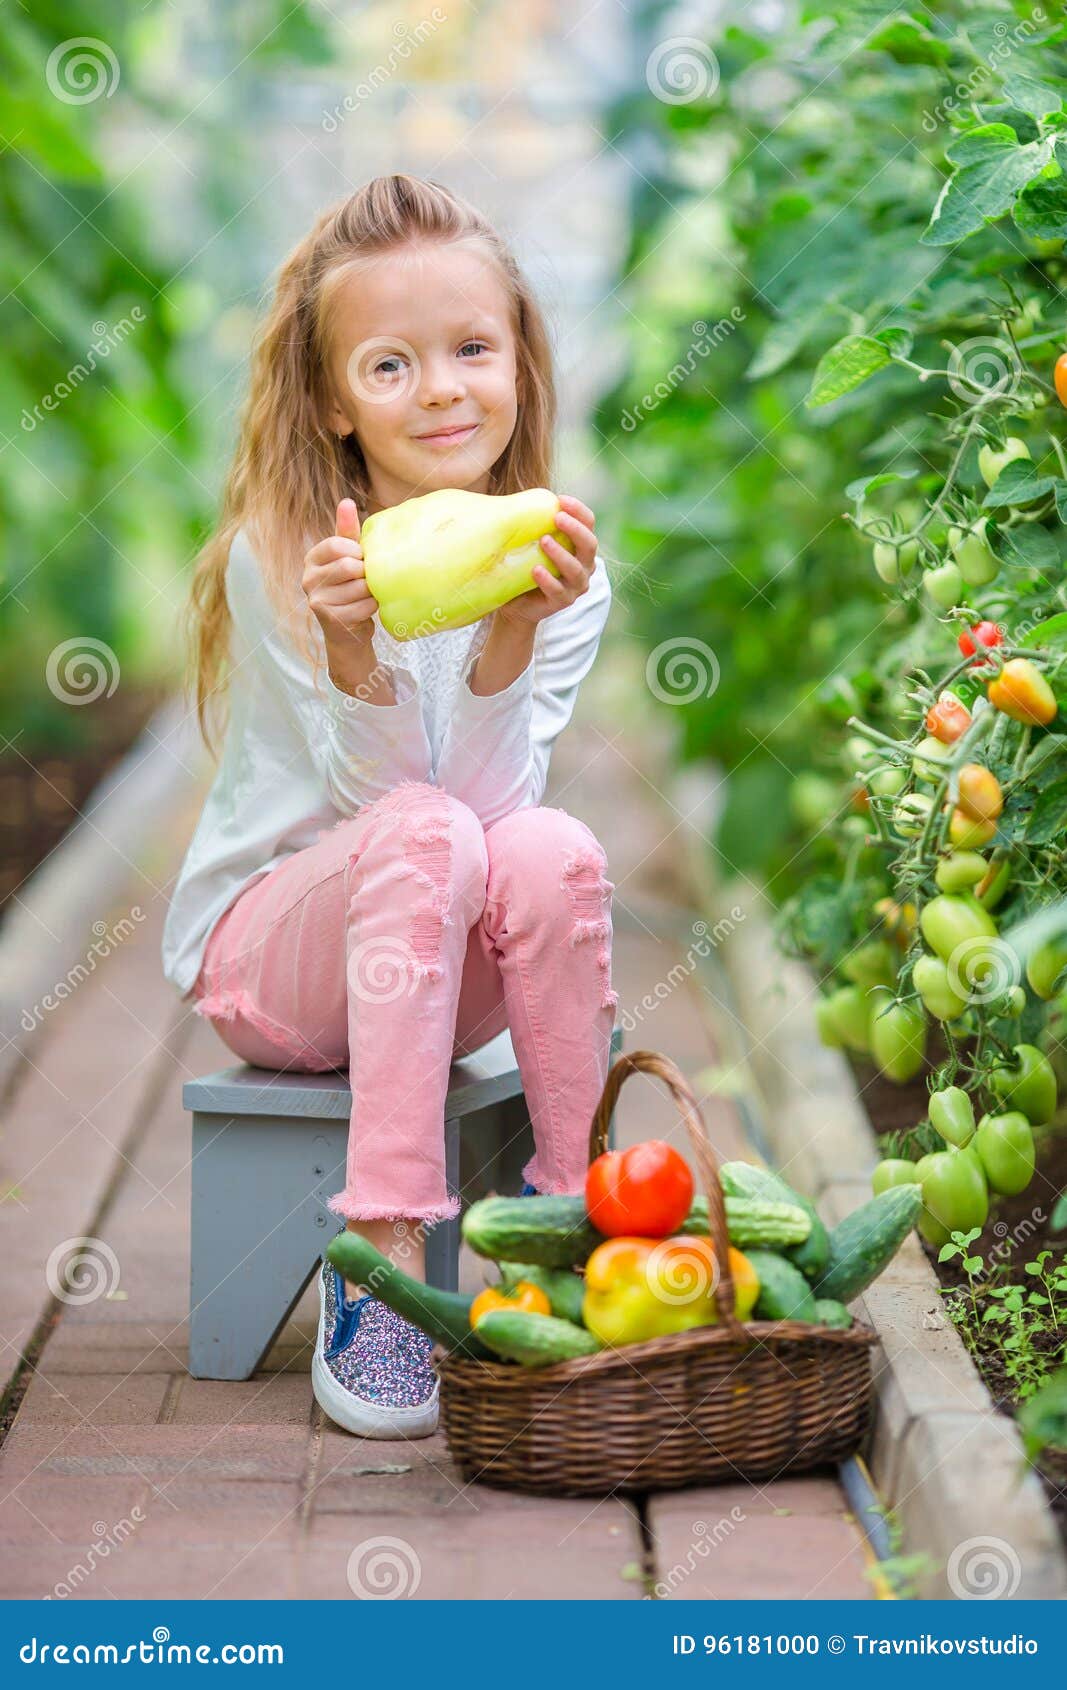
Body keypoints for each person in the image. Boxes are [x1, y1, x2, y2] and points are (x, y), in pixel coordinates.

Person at [162, 173, 616, 1440]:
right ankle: (381, 1256)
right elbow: (401, 815)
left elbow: (485, 818)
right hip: (276, 956)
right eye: (388, 364)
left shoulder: (557, 567)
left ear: (518, 358)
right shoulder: (286, 554)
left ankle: (565, 1233)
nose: (440, 389)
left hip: (436, 936)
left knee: (551, 845)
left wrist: (512, 635)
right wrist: (353, 652)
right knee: (424, 831)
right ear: (331, 402)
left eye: (472, 349)